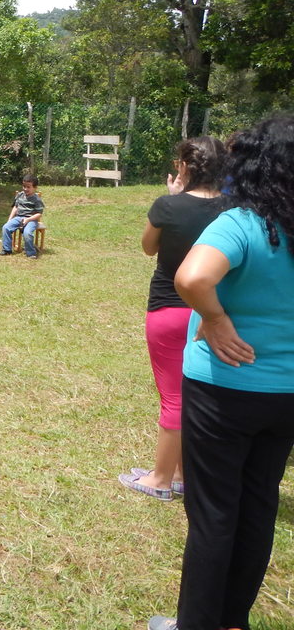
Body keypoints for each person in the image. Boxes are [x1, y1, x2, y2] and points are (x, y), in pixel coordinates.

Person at [147, 116, 294, 630]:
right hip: (286, 396)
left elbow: (192, 276)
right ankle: (233, 620)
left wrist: (214, 319)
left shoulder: (245, 223)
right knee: (258, 505)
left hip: (224, 388)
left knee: (213, 513)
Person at [119, 137, 224, 502]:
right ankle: (181, 473)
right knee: (198, 394)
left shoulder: (168, 206)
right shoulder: (235, 209)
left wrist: (174, 197)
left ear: (184, 166)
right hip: (214, 313)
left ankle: (161, 479)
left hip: (168, 310)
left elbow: (148, 247)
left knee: (174, 397)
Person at [0, 174, 44, 258]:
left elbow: (39, 214)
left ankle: (31, 253)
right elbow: (15, 207)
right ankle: (7, 249)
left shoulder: (37, 199)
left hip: (31, 219)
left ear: (35, 188)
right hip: (18, 218)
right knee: (6, 227)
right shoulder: (20, 195)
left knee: (27, 233)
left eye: (28, 187)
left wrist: (28, 220)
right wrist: (10, 219)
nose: (25, 189)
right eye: (24, 186)